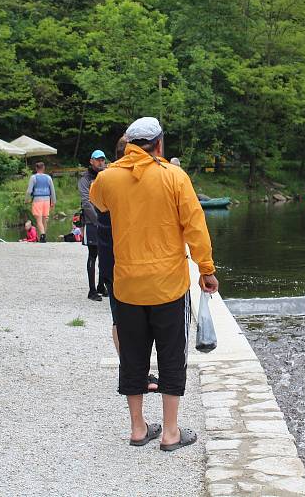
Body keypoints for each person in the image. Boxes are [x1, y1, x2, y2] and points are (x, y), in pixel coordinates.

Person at [90, 116, 218, 452]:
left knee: (132, 356)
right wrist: (206, 269)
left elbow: (99, 202)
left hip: (127, 285)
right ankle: (171, 432)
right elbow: (195, 226)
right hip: (168, 285)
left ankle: (137, 429)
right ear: (159, 144)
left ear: (129, 144)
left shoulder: (107, 179)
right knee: (172, 355)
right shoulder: (175, 177)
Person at [97, 137, 158, 392]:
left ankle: (130, 368)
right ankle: (136, 371)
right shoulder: (128, 182)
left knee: (118, 319)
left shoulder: (106, 181)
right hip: (129, 264)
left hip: (110, 261)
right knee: (140, 323)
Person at [78, 149, 107, 301]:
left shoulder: (107, 175)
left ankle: (102, 285)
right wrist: (98, 220)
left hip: (106, 221)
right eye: (98, 160)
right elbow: (85, 202)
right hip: (91, 222)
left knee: (105, 254)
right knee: (93, 254)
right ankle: (92, 290)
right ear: (91, 161)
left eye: (102, 159)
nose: (101, 162)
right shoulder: (85, 179)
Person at [26, 162, 56, 242]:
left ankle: (42, 235)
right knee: (44, 219)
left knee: (39, 220)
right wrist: (53, 201)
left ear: (36, 168)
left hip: (37, 200)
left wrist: (26, 199)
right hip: (47, 200)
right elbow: (52, 191)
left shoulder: (33, 177)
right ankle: (43, 237)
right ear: (43, 168)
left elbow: (29, 191)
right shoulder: (48, 178)